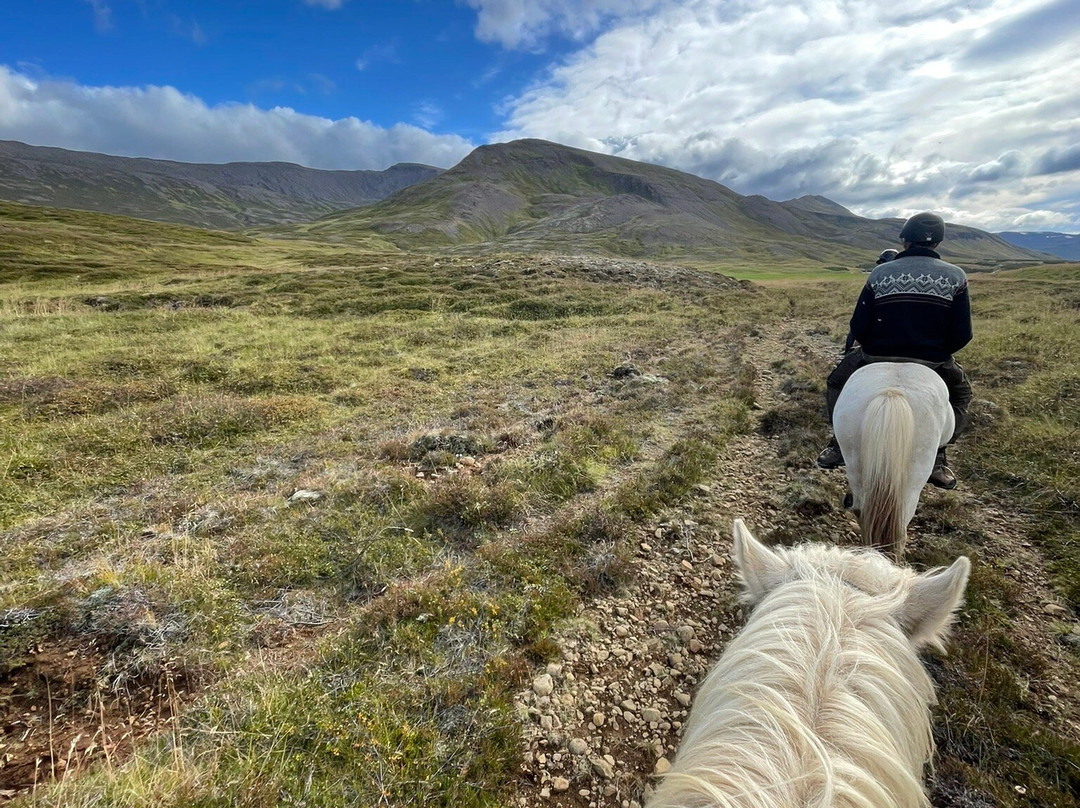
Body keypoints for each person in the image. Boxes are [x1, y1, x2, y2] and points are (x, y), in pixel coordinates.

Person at [816, 212, 973, 489]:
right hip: (933, 360)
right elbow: (963, 333)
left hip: (876, 355)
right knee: (961, 394)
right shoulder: (956, 276)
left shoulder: (880, 273)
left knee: (835, 383)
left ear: (904, 240)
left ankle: (838, 446)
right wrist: (937, 352)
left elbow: (859, 325)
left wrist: (873, 347)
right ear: (937, 242)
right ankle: (938, 457)